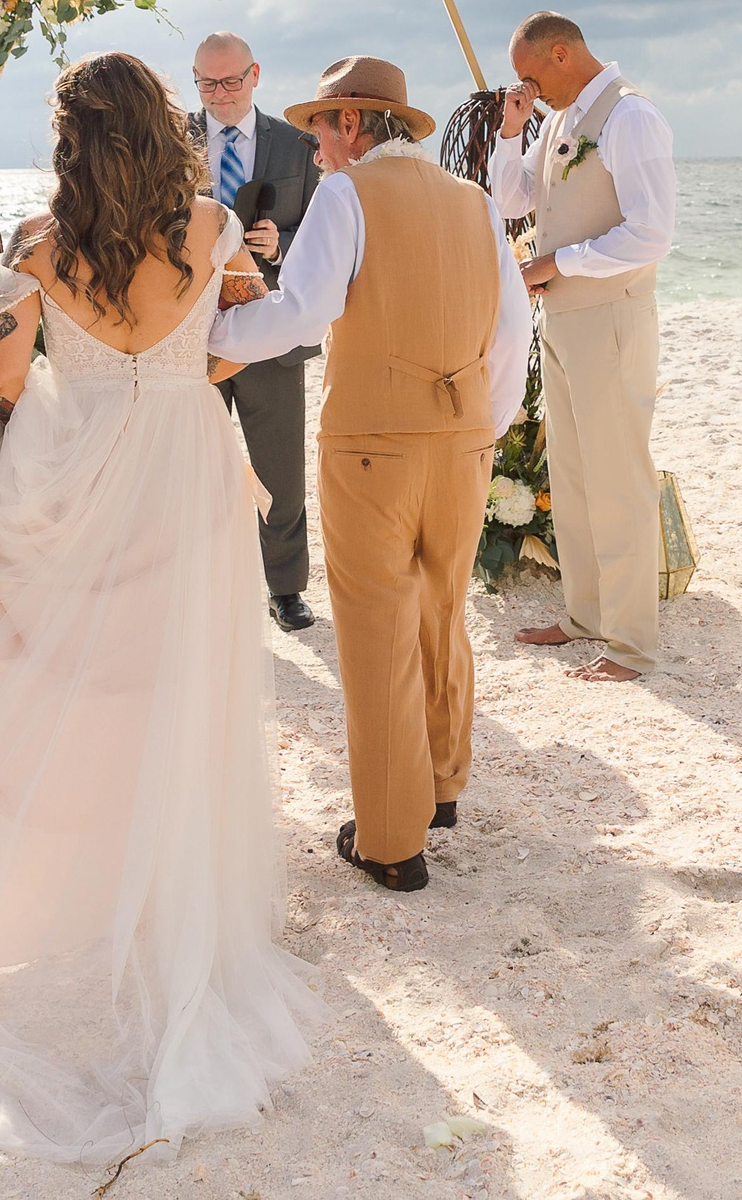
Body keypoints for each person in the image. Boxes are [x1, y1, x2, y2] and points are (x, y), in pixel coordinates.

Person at [0, 51, 323, 1162]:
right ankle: (159, 891)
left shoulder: (36, 245)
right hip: (186, 477)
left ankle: (68, 885)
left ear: (69, 141)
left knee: (56, 684)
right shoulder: (207, 226)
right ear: (162, 127)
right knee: (176, 679)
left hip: (78, 479)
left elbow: (3, 388)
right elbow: (233, 335)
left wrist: (46, 371)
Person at [212, 55, 532, 892]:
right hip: (461, 443)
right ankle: (443, 782)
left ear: (353, 124)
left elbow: (302, 312)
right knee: (442, 608)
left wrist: (214, 335)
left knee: (376, 627)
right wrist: (479, 428)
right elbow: (513, 330)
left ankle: (391, 839)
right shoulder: (476, 201)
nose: (316, 140)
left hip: (372, 447)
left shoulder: (349, 196)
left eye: (323, 123)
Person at [491, 11, 677, 684]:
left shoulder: (630, 118)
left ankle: (632, 644)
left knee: (618, 475)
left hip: (612, 318)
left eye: (531, 75)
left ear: (563, 53)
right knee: (570, 473)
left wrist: (562, 262)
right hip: (564, 321)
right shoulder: (559, 120)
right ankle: (585, 614)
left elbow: (651, 232)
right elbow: (513, 198)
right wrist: (512, 133)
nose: (527, 88)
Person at [188, 31, 324, 631]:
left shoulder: (300, 147)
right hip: (189, 330)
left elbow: (328, 236)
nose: (219, 94)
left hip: (271, 330)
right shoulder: (170, 141)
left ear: (256, 75)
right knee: (190, 463)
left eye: (230, 81)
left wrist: (282, 243)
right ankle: (199, 583)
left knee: (280, 464)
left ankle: (286, 588)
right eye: (207, 82)